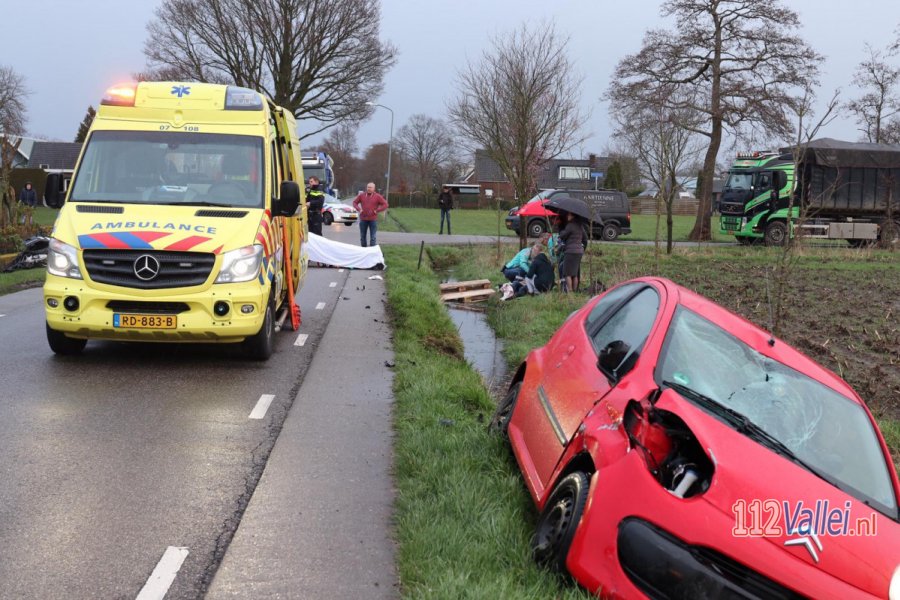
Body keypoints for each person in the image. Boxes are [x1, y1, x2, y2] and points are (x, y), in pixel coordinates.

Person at [353, 182, 389, 247]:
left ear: (374, 188)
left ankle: (372, 252)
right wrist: (359, 209)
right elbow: (354, 202)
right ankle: (364, 251)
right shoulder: (362, 195)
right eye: (368, 187)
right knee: (362, 237)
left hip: (373, 220)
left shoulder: (377, 196)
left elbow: (385, 204)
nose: (369, 189)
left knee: (373, 237)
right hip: (363, 219)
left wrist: (377, 211)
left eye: (370, 187)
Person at [558, 211, 585, 293]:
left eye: (568, 215)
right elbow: (584, 237)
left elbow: (563, 235)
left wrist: (561, 230)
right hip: (579, 251)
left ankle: (570, 292)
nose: (567, 216)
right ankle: (574, 291)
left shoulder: (570, 225)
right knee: (575, 273)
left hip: (570, 251)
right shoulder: (580, 226)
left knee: (567, 273)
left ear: (572, 216)